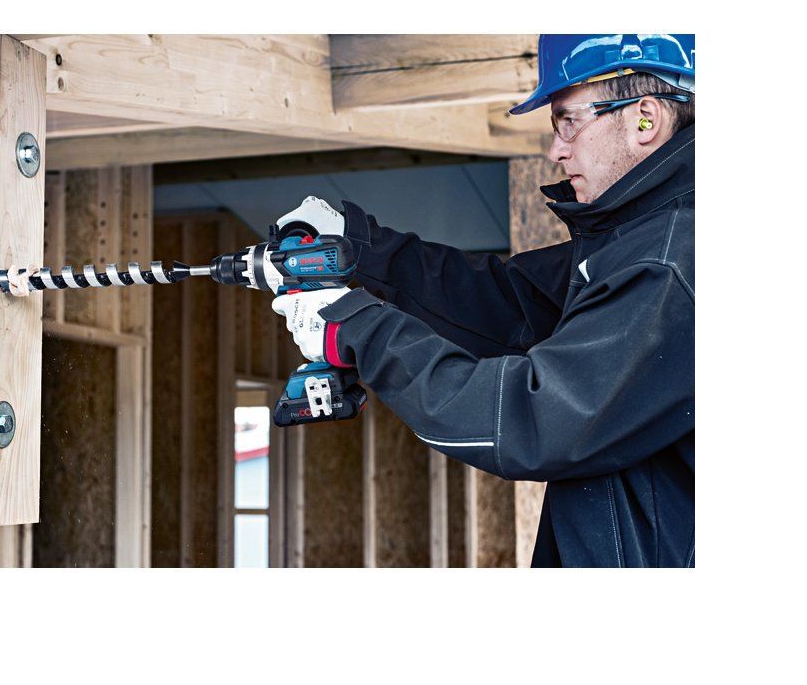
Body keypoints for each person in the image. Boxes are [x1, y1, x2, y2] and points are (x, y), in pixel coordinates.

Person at [271, 34, 695, 568]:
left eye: (568, 121)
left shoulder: (669, 264)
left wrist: (354, 328)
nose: (556, 150)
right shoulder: (640, 240)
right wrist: (364, 251)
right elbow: (511, 304)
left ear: (644, 119)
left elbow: (534, 419)